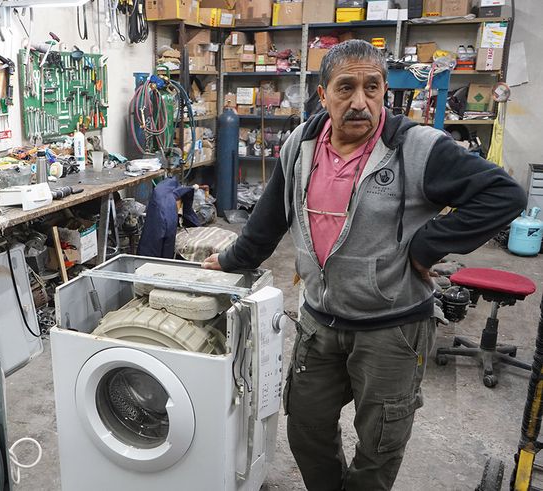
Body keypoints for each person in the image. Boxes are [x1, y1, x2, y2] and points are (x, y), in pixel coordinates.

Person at [203, 39, 526, 490]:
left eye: (372, 87)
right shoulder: (300, 145)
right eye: (346, 88)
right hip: (320, 321)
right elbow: (269, 218)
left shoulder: (418, 148)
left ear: (383, 92)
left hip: (392, 328)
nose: (360, 101)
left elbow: (504, 194)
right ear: (323, 94)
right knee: (307, 428)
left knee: (379, 444)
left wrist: (428, 245)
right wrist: (231, 260)